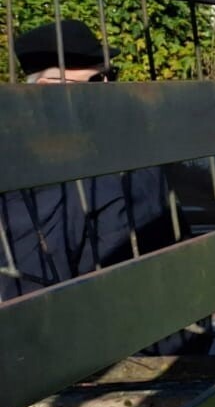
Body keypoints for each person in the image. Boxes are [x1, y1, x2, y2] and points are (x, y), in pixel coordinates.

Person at [1, 19, 180, 304]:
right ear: (46, 90)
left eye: (111, 75)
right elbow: (32, 297)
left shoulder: (133, 155)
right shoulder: (32, 177)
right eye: (95, 81)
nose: (107, 87)